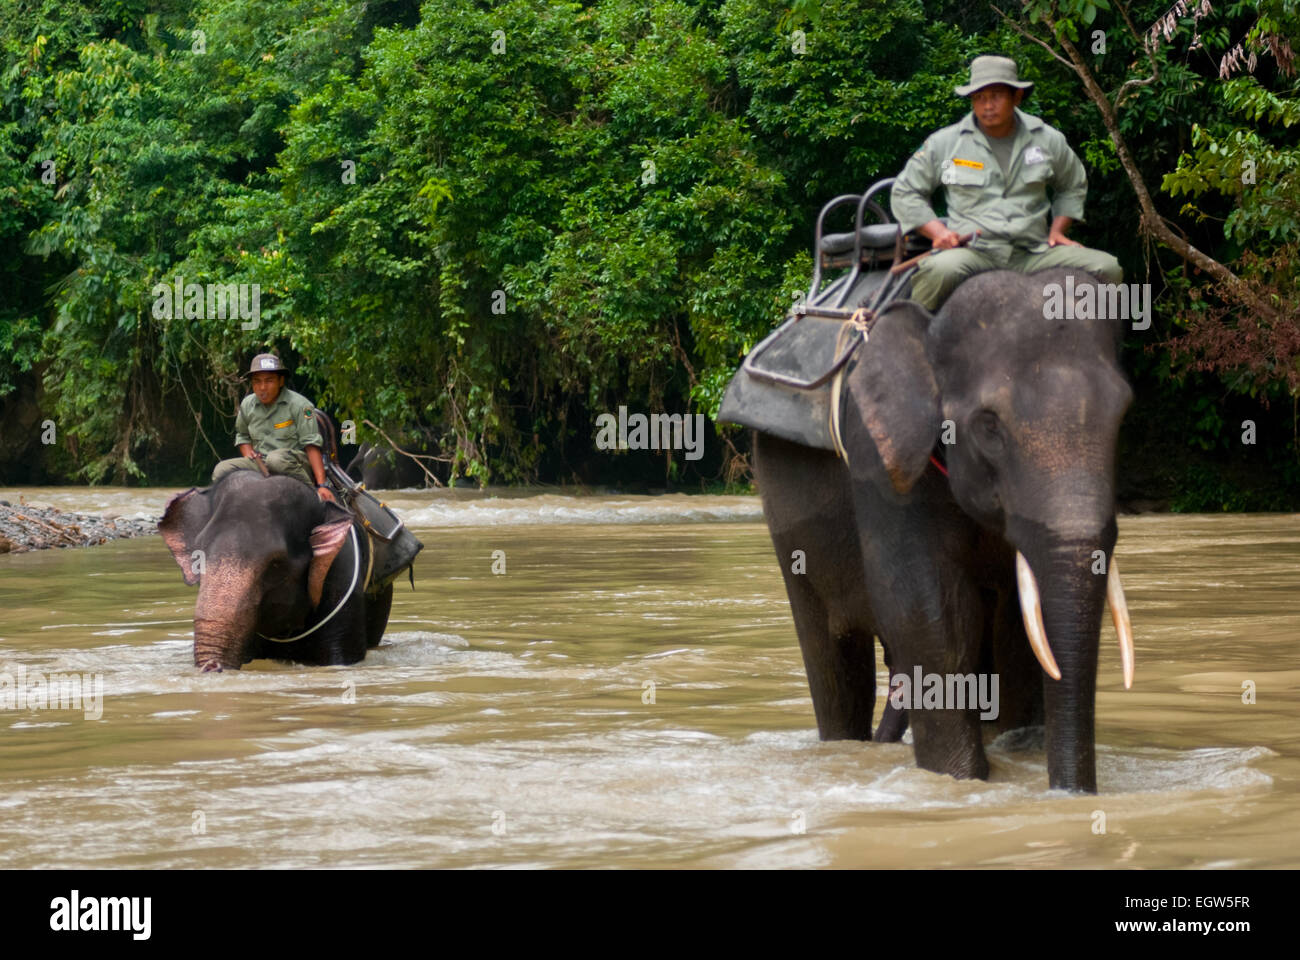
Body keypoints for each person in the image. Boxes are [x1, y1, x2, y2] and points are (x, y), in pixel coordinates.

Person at [891, 55, 1122, 311]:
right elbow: (905, 192)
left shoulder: (1047, 139)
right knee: (938, 271)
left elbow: (1072, 184)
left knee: (1109, 269)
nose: (987, 105)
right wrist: (939, 233)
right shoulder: (945, 144)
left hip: (1034, 252)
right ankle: (915, 339)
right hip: (974, 253)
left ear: (1017, 96)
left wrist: (1058, 230)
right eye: (979, 97)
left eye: (996, 95)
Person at [211, 354, 336, 502]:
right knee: (221, 470)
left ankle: (310, 494)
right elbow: (242, 436)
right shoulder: (247, 404)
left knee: (276, 459)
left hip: (294, 464)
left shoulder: (300, 405)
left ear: (281, 381)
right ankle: (236, 507)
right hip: (262, 463)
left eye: (269, 381)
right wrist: (248, 453)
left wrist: (322, 484)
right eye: (257, 382)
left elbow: (311, 445)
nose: (262, 387)